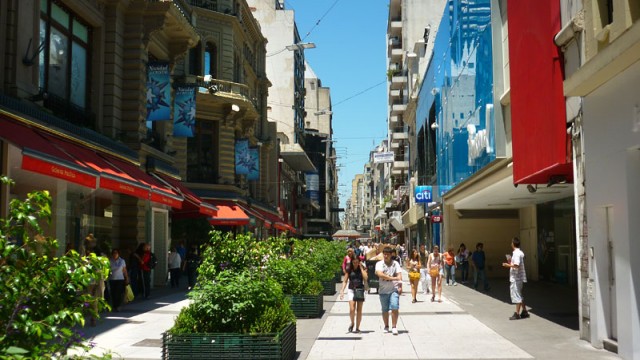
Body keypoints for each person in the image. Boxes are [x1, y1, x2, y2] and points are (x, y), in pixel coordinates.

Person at [375, 246, 402, 335]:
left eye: (387, 254)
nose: (386, 256)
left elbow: (399, 275)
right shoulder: (379, 264)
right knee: (385, 309)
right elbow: (380, 274)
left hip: (394, 289)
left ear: (391, 255)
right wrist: (393, 278)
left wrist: (400, 285)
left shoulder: (396, 264)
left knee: (395, 307)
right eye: (384, 254)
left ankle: (394, 326)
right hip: (383, 290)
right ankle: (386, 326)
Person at [502, 237, 529, 320]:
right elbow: (516, 264)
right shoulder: (518, 253)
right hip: (519, 278)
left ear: (513, 244)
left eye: (511, 242)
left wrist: (507, 265)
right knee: (519, 295)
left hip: (516, 278)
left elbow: (516, 266)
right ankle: (524, 311)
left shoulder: (516, 254)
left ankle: (517, 313)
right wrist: (510, 262)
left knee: (517, 295)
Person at [339, 255, 368, 333]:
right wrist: (342, 290)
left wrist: (361, 268)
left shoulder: (362, 268)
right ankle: (352, 323)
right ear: (351, 262)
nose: (355, 264)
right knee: (352, 309)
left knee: (359, 310)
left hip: (360, 290)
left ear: (359, 262)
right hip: (351, 289)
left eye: (357, 262)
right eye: (354, 262)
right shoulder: (349, 270)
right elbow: (345, 281)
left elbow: (365, 278)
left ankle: (357, 328)